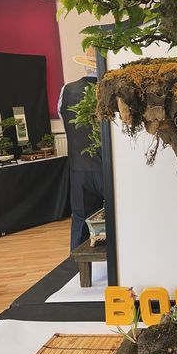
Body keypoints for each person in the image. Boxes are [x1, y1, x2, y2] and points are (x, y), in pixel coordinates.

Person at [58, 47, 104, 251]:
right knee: (118, 216)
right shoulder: (110, 89)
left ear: (85, 64)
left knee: (80, 217)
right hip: (108, 166)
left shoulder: (66, 91)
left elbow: (65, 120)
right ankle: (119, 263)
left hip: (79, 167)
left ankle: (77, 269)